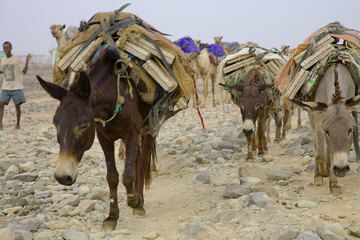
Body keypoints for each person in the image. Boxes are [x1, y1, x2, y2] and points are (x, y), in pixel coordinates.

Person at [0, 41, 31, 130]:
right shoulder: (2, 60)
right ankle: (0, 124)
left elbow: (24, 72)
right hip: (5, 87)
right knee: (1, 104)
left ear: (11, 48)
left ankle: (17, 124)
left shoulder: (17, 59)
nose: (6, 49)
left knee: (17, 106)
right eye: (4, 48)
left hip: (17, 87)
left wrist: (27, 61)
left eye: (7, 48)